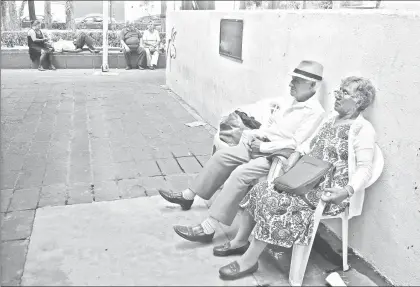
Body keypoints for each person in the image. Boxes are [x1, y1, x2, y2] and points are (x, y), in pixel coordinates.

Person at [216, 76, 377, 280]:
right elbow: (309, 142)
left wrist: (347, 191)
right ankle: (240, 241)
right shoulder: (331, 119)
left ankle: (249, 261)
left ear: (359, 101)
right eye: (339, 90)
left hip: (329, 191)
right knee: (260, 190)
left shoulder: (363, 129)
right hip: (306, 179)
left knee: (276, 201)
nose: (337, 95)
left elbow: (365, 168)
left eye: (344, 92)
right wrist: (295, 154)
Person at [159, 60, 326, 243]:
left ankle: (208, 228)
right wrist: (255, 135)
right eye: (292, 79)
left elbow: (296, 143)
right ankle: (188, 196)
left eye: (297, 81)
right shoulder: (289, 102)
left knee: (240, 174)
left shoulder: (315, 113)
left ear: (312, 85)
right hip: (259, 145)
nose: (291, 84)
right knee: (222, 156)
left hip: (276, 156)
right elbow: (271, 127)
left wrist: (263, 147)